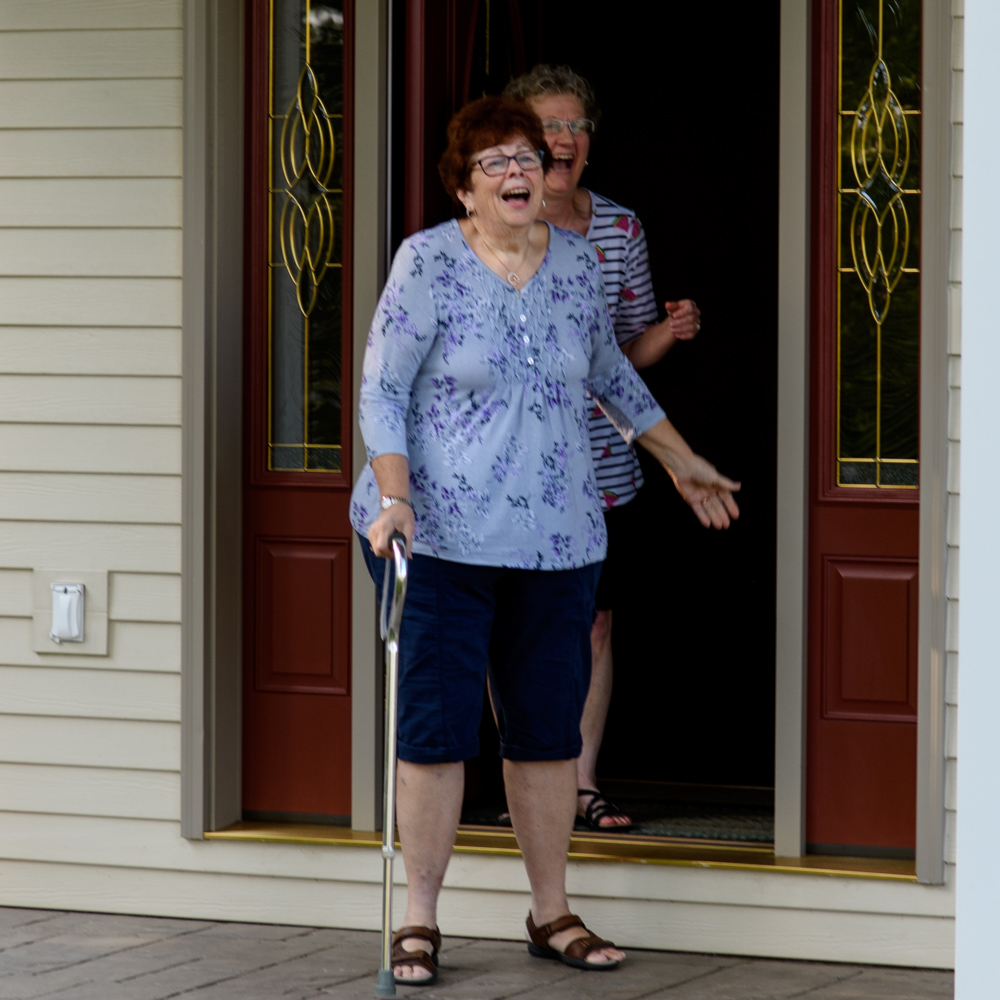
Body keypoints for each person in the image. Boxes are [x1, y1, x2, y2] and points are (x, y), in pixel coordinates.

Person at [351, 95, 739, 986]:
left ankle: (550, 910)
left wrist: (681, 461)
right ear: (464, 188)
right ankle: (419, 920)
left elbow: (609, 373)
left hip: (558, 537)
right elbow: (381, 390)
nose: (518, 171)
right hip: (439, 536)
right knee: (436, 732)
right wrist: (395, 496)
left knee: (546, 734)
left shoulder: (575, 264)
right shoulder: (427, 262)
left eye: (526, 157)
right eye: (494, 162)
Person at [504, 65, 699, 830]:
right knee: (514, 626)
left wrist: (668, 333)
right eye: (548, 126)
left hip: (604, 470)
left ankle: (581, 785)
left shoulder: (620, 230)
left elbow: (621, 358)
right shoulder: (489, 229)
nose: (563, 138)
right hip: (515, 470)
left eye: (576, 126)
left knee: (592, 624)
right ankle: (524, 785)